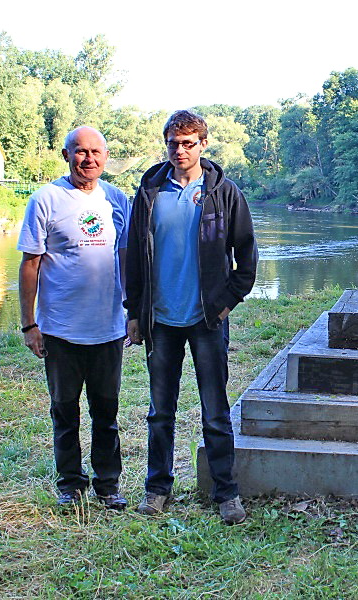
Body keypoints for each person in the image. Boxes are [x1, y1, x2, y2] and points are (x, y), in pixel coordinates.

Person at [125, 110, 258, 524]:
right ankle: (157, 489)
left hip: (207, 320)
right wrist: (134, 311)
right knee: (159, 412)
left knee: (215, 412)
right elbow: (134, 256)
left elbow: (246, 256)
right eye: (173, 143)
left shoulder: (224, 193)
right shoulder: (150, 192)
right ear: (166, 145)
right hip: (161, 320)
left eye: (188, 143)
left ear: (203, 144)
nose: (180, 150)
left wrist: (226, 302)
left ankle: (226, 493)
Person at [18, 126, 129, 510]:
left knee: (107, 413)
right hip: (60, 331)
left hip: (108, 329)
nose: (89, 159)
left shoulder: (117, 199)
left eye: (96, 152)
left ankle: (108, 485)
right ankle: (70, 485)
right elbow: (30, 264)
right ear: (66, 155)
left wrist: (132, 310)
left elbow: (126, 257)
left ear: (106, 156)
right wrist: (29, 324)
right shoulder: (45, 199)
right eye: (81, 151)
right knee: (65, 412)